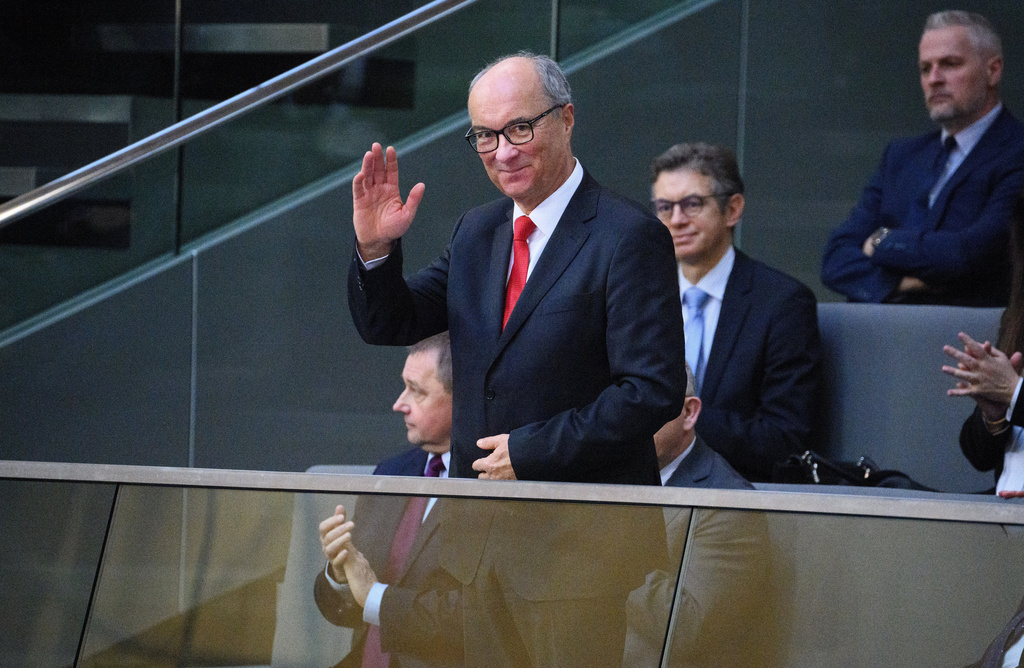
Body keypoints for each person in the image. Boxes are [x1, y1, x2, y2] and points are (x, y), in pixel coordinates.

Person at [346, 52, 682, 665]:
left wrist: (530, 450)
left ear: (567, 118)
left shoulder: (627, 236)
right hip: (476, 553)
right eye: (485, 136)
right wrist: (375, 249)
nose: (504, 151)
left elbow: (650, 390)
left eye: (520, 128)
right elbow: (390, 320)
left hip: (576, 555)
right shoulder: (478, 231)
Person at [821, 10, 1024, 306]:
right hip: (883, 335)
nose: (934, 79)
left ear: (993, 71)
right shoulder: (901, 156)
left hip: (972, 340)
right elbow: (835, 257)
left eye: (950, 64)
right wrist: (908, 282)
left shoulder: (1016, 151)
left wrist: (880, 241)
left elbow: (968, 255)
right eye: (925, 68)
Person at [650, 142, 821, 481]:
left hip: (741, 492)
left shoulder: (783, 303)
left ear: (733, 210)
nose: (677, 220)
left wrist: (677, 419)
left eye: (692, 204)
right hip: (644, 490)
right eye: (664, 207)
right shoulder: (642, 295)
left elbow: (785, 438)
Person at [315, 333, 460, 667]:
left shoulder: (491, 489)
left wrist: (374, 596)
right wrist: (340, 575)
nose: (399, 403)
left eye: (417, 391)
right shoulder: (390, 472)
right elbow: (348, 613)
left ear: (462, 398)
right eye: (403, 386)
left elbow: (471, 622)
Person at [623, 362, 775, 667]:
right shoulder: (601, 474)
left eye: (646, 408)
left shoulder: (728, 503)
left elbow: (689, 626)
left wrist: (596, 551)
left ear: (690, 413)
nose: (627, 423)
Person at [943, 187, 1024, 497]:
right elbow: (980, 456)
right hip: (1001, 515)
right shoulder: (1016, 318)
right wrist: (994, 413)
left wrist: (1014, 393)